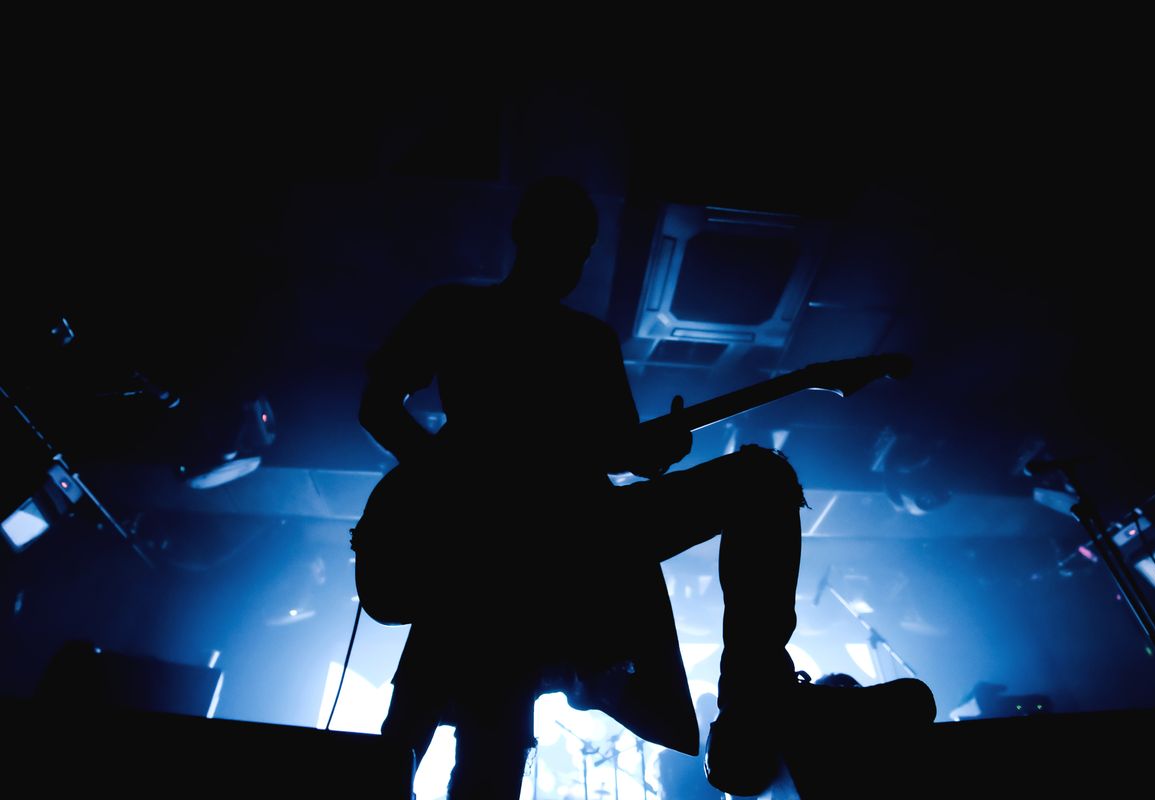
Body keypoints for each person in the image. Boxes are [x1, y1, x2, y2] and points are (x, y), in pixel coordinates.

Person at [359, 177, 934, 799]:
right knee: (478, 736)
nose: (573, 263)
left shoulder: (587, 340)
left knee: (763, 478)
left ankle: (754, 702)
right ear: (525, 235)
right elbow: (378, 406)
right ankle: (749, 704)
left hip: (579, 522)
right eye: (565, 245)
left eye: (580, 250)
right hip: (505, 541)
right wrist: (454, 478)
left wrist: (657, 454)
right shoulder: (456, 310)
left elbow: (619, 452)